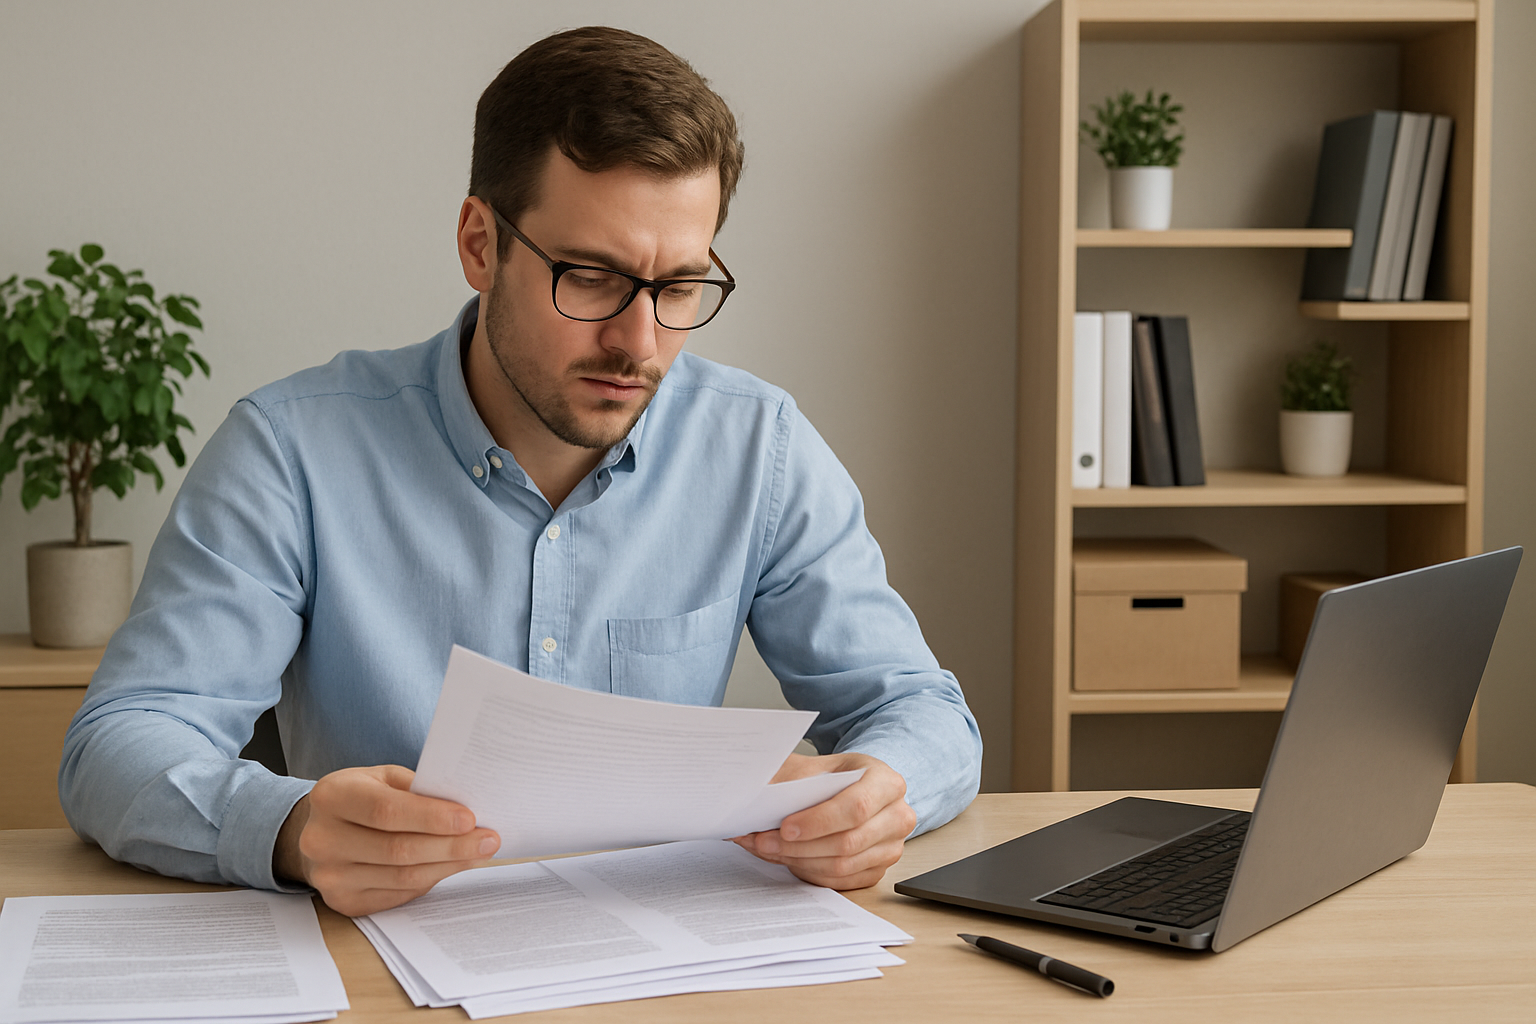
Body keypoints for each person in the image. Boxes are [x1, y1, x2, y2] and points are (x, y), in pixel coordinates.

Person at [59, 26, 982, 917]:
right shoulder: (289, 452)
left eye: (679, 287)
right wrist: (290, 829)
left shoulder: (760, 448)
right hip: (382, 970)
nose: (640, 341)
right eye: (589, 276)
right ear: (479, 243)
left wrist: (882, 795)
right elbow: (119, 744)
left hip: (665, 970)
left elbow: (920, 711)